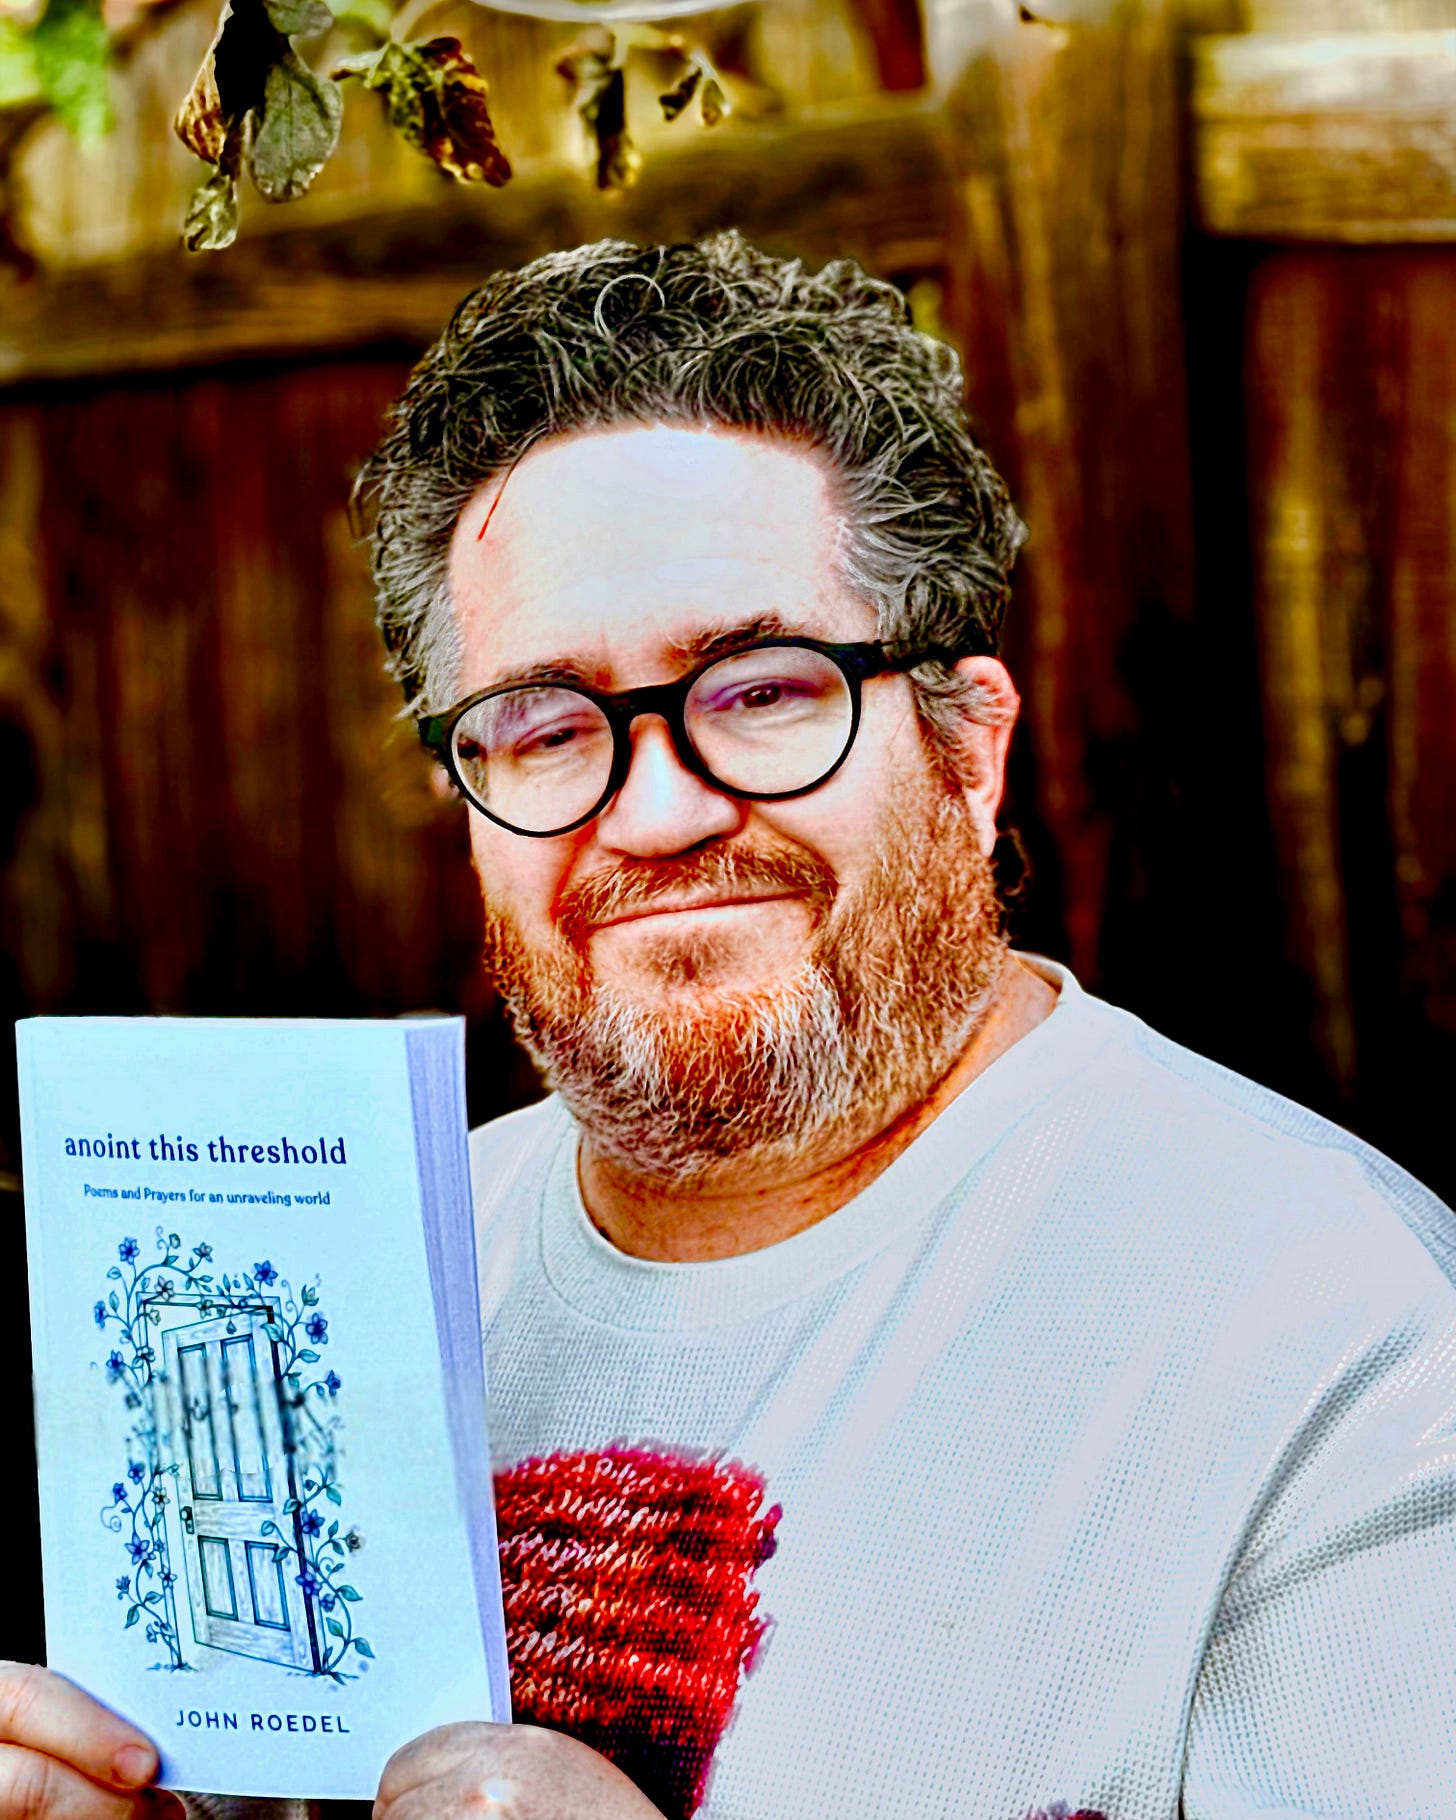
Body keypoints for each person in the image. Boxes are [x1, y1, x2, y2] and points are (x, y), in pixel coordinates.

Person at [4, 231, 1455, 1820]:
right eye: (546, 725)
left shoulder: (1336, 1339)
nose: (658, 812)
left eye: (763, 690)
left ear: (969, 751)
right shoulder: (362, 1285)